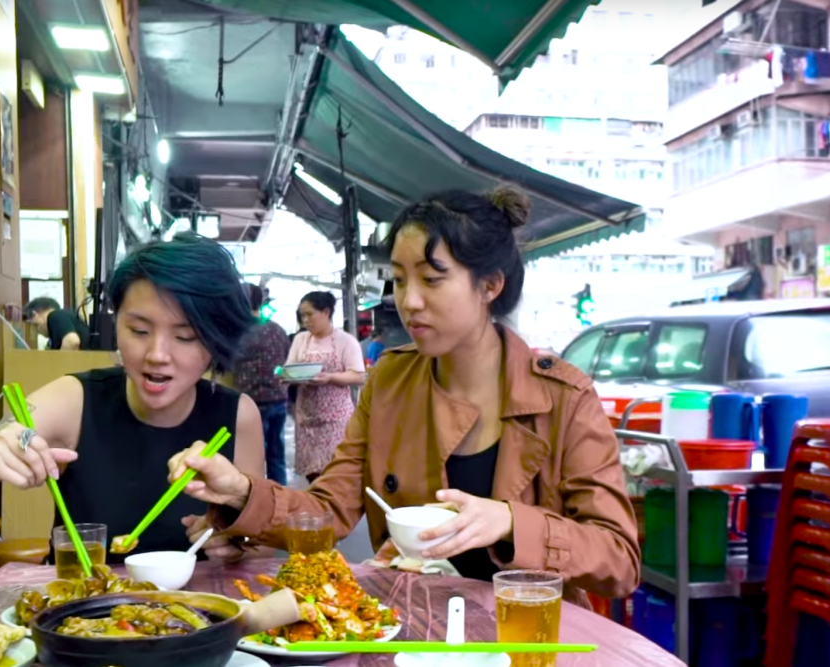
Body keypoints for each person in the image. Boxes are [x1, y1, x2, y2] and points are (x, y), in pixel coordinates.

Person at [168, 186, 641, 602]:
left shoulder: (564, 396)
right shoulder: (392, 382)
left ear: (490, 285)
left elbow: (619, 560)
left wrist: (511, 522)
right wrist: (241, 492)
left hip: (527, 638)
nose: (408, 300)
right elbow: (329, 510)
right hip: (415, 630)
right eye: (399, 279)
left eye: (432, 279)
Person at [0, 236, 267, 562]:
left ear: (216, 340)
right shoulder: (73, 400)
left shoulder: (236, 416)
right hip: (80, 628)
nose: (157, 354)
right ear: (115, 323)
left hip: (201, 628)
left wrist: (237, 541)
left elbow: (263, 547)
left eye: (184, 337)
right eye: (138, 329)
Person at [288, 291, 366, 482]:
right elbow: (290, 369)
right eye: (302, 316)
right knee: (312, 474)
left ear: (326, 312)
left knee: (334, 472)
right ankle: (318, 508)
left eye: (309, 314)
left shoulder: (345, 341)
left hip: (335, 419)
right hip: (307, 417)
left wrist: (330, 377)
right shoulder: (301, 340)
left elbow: (358, 376)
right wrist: (293, 376)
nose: (305, 320)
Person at [232, 283, 292, 485]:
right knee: (277, 455)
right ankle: (280, 500)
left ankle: (255, 505)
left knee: (251, 460)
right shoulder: (277, 330)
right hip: (279, 400)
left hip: (251, 403)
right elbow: (285, 359)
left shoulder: (237, 332)